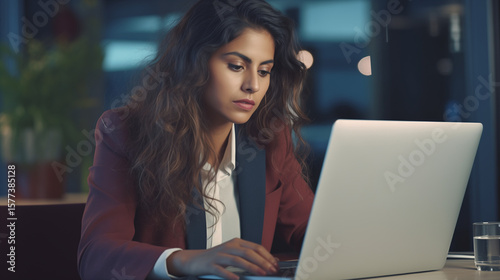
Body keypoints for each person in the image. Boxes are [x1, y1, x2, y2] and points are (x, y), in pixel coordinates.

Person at [77, 0, 314, 279]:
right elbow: (95, 258)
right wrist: (184, 261)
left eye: (264, 71)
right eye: (237, 66)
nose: (253, 85)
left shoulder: (268, 138)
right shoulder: (125, 133)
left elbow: (312, 232)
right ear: (194, 62)